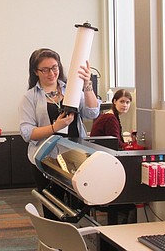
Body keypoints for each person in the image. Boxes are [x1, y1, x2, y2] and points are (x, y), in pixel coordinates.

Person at [19, 48, 101, 218]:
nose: (51, 73)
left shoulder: (72, 89)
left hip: (76, 157)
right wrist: (55, 127)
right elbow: (27, 133)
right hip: (46, 158)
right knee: (53, 207)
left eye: (55, 67)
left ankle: (77, 240)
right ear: (36, 71)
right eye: (45, 69)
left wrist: (87, 84)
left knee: (79, 206)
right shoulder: (30, 97)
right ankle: (55, 242)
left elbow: (92, 113)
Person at [90, 88, 136, 225]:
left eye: (128, 102)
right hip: (104, 165)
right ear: (114, 101)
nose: (125, 105)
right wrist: (128, 145)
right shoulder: (110, 118)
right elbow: (116, 144)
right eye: (122, 101)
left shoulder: (109, 116)